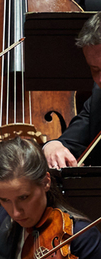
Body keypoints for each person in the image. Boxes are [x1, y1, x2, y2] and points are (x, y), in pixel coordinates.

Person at [43, 11, 101, 169]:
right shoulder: (98, 97)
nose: (100, 79)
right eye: (95, 70)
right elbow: (68, 142)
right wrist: (52, 147)